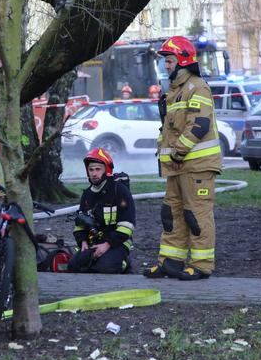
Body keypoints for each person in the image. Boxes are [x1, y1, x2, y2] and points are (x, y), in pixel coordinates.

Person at [144, 36, 222, 281]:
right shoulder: (173, 92)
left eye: (169, 60)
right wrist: (165, 151)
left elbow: (199, 125)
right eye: (165, 61)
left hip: (196, 167)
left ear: (183, 60)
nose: (166, 65)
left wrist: (177, 152)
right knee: (172, 215)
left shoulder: (197, 87)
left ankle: (201, 264)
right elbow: (167, 130)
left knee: (197, 215)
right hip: (177, 167)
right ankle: (171, 262)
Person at [68, 148, 135, 274]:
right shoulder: (87, 194)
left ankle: (124, 262)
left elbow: (127, 226)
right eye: (91, 170)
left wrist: (107, 245)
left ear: (107, 170)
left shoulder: (119, 191)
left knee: (105, 268)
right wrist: (82, 241)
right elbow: (80, 224)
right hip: (94, 241)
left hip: (117, 243)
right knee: (73, 266)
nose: (94, 174)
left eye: (98, 169)